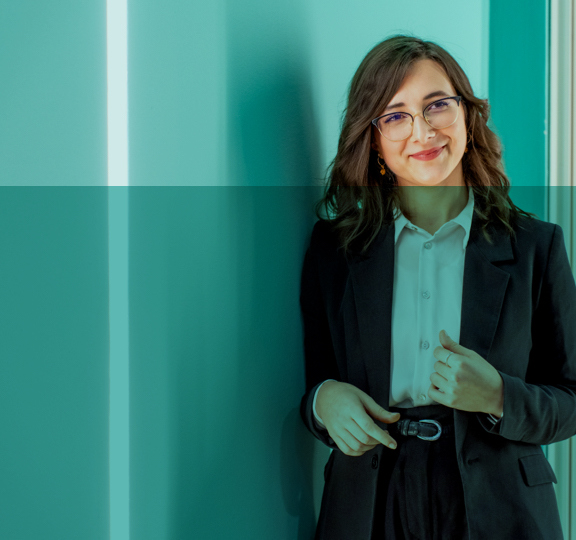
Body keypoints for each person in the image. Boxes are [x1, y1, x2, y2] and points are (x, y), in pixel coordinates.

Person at [299, 35, 576, 540]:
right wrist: (323, 400)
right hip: (370, 502)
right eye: (395, 116)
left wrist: (497, 395)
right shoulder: (334, 251)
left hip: (501, 508)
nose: (422, 131)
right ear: (375, 141)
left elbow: (573, 397)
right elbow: (315, 380)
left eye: (437, 106)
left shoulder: (537, 248)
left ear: (467, 117)